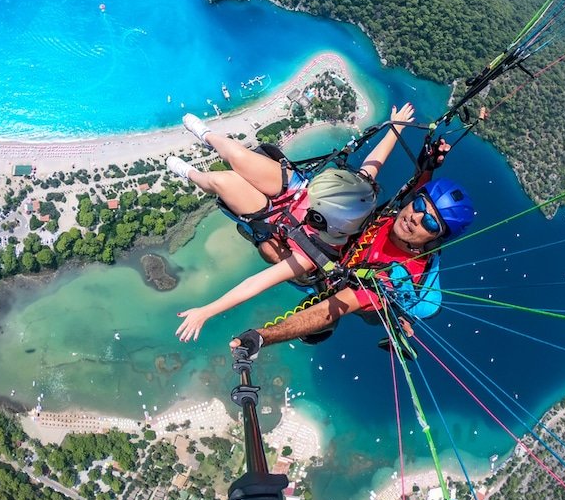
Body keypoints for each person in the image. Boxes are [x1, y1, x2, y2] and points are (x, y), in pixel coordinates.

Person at [166, 103, 420, 342]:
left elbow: (255, 284)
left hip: (273, 216)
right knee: (237, 155)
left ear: (321, 217)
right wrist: (395, 128)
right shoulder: (353, 201)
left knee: (222, 182)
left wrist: (207, 311)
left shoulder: (310, 257)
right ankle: (207, 136)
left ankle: (191, 174)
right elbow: (372, 166)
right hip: (294, 190)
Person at [228, 175, 475, 358]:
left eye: (431, 223)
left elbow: (325, 312)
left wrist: (263, 336)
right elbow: (414, 188)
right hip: (347, 264)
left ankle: (395, 323)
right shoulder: (398, 214)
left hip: (358, 292)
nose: (416, 218)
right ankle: (399, 324)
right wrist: (430, 162)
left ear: (435, 238)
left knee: (270, 250)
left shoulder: (390, 277)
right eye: (420, 206)